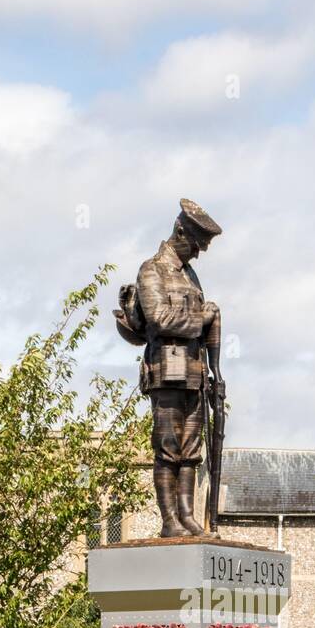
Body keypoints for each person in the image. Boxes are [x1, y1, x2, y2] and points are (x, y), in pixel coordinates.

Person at [131, 198, 224, 536]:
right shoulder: (151, 270)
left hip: (194, 374)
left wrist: (214, 373)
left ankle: (187, 515)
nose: (199, 253)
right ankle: (169, 520)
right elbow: (158, 318)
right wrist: (203, 318)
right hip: (165, 372)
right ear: (180, 231)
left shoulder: (191, 276)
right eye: (197, 245)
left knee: (190, 451)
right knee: (168, 449)